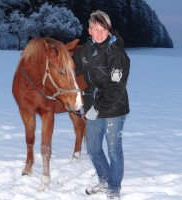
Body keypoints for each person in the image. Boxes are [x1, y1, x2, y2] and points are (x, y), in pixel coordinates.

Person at [73, 10, 130, 200]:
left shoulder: (116, 54)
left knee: (114, 150)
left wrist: (97, 108)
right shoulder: (85, 50)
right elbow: (71, 70)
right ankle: (104, 179)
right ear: (89, 30)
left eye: (102, 29)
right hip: (91, 108)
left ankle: (114, 187)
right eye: (95, 29)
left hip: (114, 108)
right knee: (93, 149)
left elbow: (116, 88)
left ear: (109, 30)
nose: (99, 33)